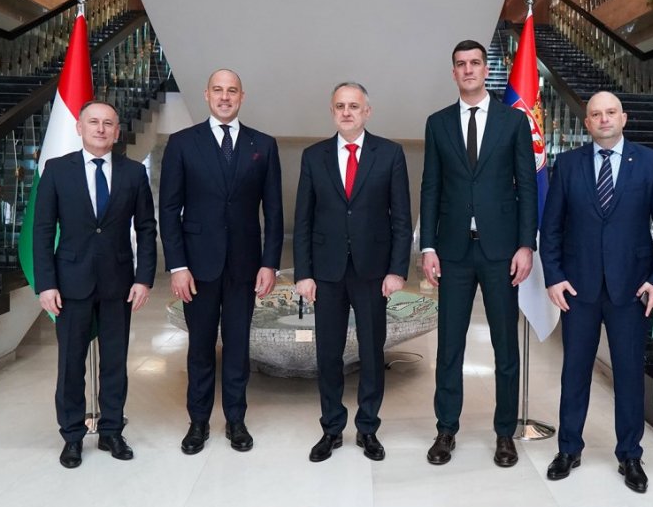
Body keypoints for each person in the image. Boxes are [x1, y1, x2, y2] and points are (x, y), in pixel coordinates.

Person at [539, 91, 653, 492]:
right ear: (587, 123)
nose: (604, 119)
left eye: (610, 112)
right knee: (574, 372)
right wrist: (553, 276)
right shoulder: (568, 164)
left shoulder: (651, 162)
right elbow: (551, 228)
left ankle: (630, 454)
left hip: (632, 290)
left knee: (630, 375)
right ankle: (569, 448)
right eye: (596, 114)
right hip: (578, 288)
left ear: (623, 118)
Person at [419, 39, 538, 468]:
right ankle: (446, 429)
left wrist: (526, 245)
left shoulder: (513, 121)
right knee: (449, 345)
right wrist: (427, 246)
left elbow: (527, 185)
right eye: (460, 64)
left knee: (505, 347)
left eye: (474, 63)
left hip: (501, 251)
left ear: (486, 70)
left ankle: (504, 433)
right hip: (452, 251)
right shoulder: (437, 123)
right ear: (453, 72)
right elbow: (431, 186)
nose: (468, 70)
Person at [159, 69, 283, 455]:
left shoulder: (263, 144)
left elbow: (274, 211)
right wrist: (178, 266)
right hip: (196, 268)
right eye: (218, 90)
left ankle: (235, 420)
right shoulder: (182, 143)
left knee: (237, 346)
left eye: (232, 91)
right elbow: (169, 210)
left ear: (242, 97)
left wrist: (270, 264)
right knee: (199, 347)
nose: (225, 97)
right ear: (206, 95)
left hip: (245, 266)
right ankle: (198, 422)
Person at [33, 100, 157, 468]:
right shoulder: (57, 170)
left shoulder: (134, 173)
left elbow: (146, 229)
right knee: (71, 364)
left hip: (119, 283)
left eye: (108, 123)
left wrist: (144, 278)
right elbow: (43, 230)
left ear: (117, 131)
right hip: (70, 284)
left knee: (115, 363)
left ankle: (111, 431)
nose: (101, 129)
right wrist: (46, 284)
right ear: (80, 127)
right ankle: (72, 436)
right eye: (93, 122)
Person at [293, 82, 412, 462]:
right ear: (333, 112)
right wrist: (303, 273)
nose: (347, 112)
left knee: (372, 352)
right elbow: (303, 220)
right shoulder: (314, 156)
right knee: (328, 353)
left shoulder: (390, 154)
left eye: (354, 106)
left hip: (373, 272)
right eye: (340, 106)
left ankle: (368, 428)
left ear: (367, 112)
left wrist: (397, 270)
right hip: (326, 273)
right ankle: (331, 428)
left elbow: (401, 219)